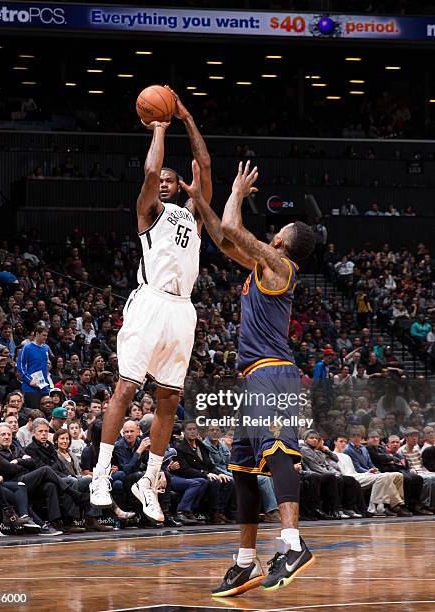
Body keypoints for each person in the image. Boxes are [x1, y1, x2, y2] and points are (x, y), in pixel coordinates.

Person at [181, 160, 315, 595]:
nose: (274, 229)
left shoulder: (280, 267)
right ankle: (244, 561)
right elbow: (223, 239)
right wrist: (199, 199)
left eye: (280, 228)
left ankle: (293, 545)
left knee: (279, 454)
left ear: (281, 241)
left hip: (273, 375)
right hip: (254, 377)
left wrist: (236, 191)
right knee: (241, 467)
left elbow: (236, 230)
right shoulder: (263, 268)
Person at [90, 87, 212, 525]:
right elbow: (149, 171)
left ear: (180, 186)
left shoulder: (192, 215)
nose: (162, 181)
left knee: (170, 400)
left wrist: (187, 117)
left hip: (183, 309)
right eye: (159, 178)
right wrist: (160, 128)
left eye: (169, 179)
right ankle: (101, 473)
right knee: (126, 388)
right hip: (150, 302)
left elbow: (206, 167)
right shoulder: (149, 212)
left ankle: (150, 479)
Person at [16, 325, 50, 408]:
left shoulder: (46, 348)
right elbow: (20, 366)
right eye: (43, 335)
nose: (45, 338)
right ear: (37, 334)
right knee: (33, 412)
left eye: (46, 335)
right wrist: (29, 380)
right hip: (30, 387)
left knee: (45, 412)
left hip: (43, 386)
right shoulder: (27, 348)